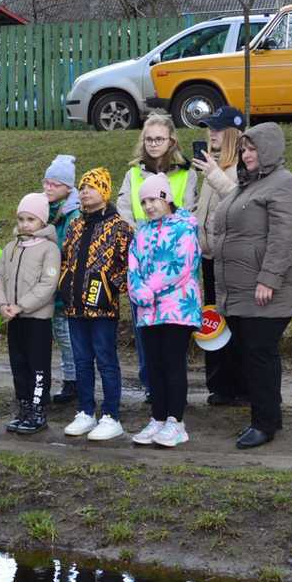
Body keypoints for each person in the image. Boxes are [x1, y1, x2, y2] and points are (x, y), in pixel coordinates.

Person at [210, 123, 292, 449]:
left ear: (269, 149)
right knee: (255, 352)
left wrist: (269, 278)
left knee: (259, 352)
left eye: (252, 149)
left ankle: (264, 424)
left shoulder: (287, 185)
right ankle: (269, 413)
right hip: (243, 288)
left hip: (269, 288)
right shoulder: (247, 185)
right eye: (243, 149)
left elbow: (285, 238)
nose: (246, 155)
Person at [117, 112, 197, 401]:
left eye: (159, 139)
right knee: (145, 330)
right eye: (148, 139)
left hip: (174, 260)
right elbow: (124, 209)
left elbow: (188, 209)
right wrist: (141, 236)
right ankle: (152, 386)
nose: (153, 144)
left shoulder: (186, 173)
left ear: (171, 141)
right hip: (142, 255)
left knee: (172, 337)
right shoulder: (133, 174)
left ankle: (173, 395)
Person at [59, 168, 134, 441]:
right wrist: (65, 285)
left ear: (104, 190)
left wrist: (110, 286)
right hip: (75, 307)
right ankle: (85, 411)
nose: (84, 192)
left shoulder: (119, 227)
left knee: (106, 360)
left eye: (91, 187)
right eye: (81, 188)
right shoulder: (75, 225)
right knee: (81, 360)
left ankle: (111, 415)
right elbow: (65, 259)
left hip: (103, 309)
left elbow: (128, 266)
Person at [127, 173, 202, 448]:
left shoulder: (185, 227)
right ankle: (157, 418)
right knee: (154, 365)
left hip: (176, 309)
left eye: (153, 200)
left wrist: (149, 289)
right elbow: (133, 265)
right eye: (143, 202)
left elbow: (182, 266)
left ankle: (175, 422)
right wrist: (138, 290)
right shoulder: (142, 232)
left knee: (172, 364)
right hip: (148, 311)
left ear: (166, 198)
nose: (148, 206)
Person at [0, 192, 61, 435]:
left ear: (42, 221)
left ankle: (38, 409)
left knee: (37, 366)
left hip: (37, 319)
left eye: (31, 219)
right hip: (14, 318)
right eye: (21, 219)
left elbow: (48, 284)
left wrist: (21, 305)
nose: (25, 224)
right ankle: (24, 406)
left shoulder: (49, 249)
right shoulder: (10, 247)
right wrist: (2, 305)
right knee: (18, 364)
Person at [191, 106, 246, 406]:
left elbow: (241, 205)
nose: (211, 133)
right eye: (209, 128)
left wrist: (214, 175)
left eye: (218, 129)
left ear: (234, 133)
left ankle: (240, 386)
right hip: (209, 257)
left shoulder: (241, 168)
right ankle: (220, 384)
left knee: (234, 322)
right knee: (213, 318)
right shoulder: (213, 166)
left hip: (231, 260)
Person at [42, 154, 82, 406]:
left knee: (66, 334)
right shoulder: (43, 208)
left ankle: (73, 380)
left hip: (63, 283)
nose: (48, 188)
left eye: (54, 184)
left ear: (67, 187)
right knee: (56, 332)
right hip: (46, 282)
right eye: (46, 182)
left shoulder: (72, 215)